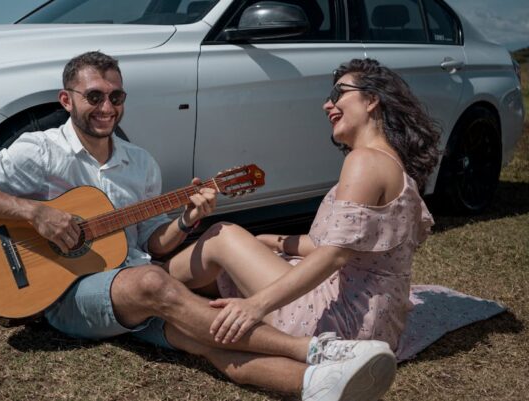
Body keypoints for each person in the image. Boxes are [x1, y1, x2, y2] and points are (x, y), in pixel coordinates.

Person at [0, 51, 397, 400]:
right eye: (94, 96)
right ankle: (315, 351)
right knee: (153, 283)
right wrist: (35, 213)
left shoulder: (139, 163)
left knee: (203, 339)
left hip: (134, 282)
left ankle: (318, 386)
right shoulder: (39, 151)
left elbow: (152, 244)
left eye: (116, 97)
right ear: (67, 100)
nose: (106, 107)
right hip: (62, 295)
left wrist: (185, 219)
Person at [166, 58, 438, 354]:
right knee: (234, 261)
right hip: (376, 325)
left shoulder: (365, 161)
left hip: (339, 321)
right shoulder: (393, 166)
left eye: (338, 94)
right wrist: (269, 240)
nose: (326, 106)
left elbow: (333, 255)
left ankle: (145, 280)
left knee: (223, 235)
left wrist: (255, 306)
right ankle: (160, 279)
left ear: (371, 100)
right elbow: (328, 245)